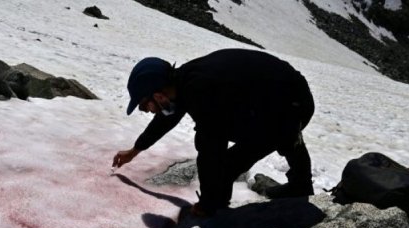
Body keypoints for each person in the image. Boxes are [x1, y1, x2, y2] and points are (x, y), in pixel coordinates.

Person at [113, 49, 315, 216]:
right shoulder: (183, 81)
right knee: (254, 131)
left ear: (158, 95)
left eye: (143, 105)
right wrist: (134, 151)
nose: (146, 110)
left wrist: (208, 204)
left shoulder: (201, 92)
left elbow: (211, 148)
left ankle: (298, 184)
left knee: (225, 161)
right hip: (285, 96)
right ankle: (299, 179)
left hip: (293, 103)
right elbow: (166, 119)